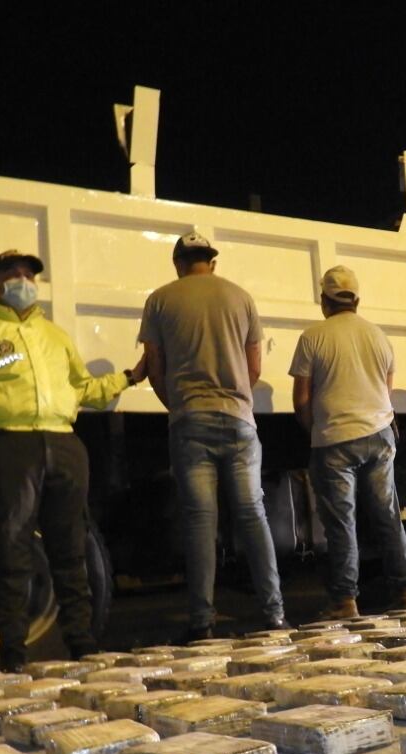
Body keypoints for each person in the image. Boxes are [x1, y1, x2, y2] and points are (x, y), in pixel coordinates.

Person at [0, 249, 142, 671]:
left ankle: (81, 642)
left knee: (70, 547)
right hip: (10, 447)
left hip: (65, 444)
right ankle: (12, 652)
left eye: (29, 274)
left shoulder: (55, 336)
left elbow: (85, 388)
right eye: (12, 273)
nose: (23, 280)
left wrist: (128, 377)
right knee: (10, 550)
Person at [138, 232, 288, 640]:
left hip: (191, 422)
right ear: (212, 262)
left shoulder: (160, 300)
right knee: (252, 515)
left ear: (178, 263)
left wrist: (181, 405)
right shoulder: (241, 298)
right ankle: (274, 615)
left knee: (201, 521)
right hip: (239, 419)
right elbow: (253, 368)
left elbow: (155, 367)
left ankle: (202, 623)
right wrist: (233, 396)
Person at [290, 265, 406, 618]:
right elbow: (386, 393)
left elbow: (301, 399)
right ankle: (405, 593)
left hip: (335, 439)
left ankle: (345, 601)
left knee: (341, 522)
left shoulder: (313, 337)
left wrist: (316, 428)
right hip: (379, 434)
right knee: (388, 516)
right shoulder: (379, 336)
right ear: (356, 300)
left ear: (324, 300)